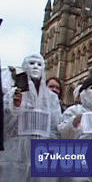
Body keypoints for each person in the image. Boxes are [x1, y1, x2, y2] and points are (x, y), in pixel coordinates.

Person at [0, 54, 62, 182]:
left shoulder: (51, 98)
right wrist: (15, 106)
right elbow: (5, 123)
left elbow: (56, 128)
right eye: (32, 63)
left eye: (39, 64)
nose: (35, 67)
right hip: (16, 153)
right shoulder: (13, 94)